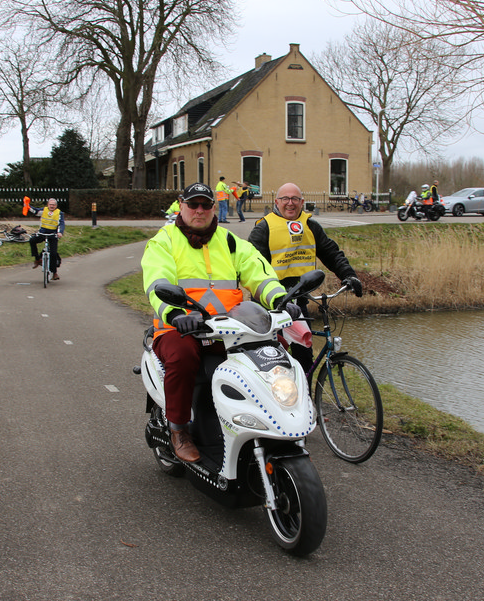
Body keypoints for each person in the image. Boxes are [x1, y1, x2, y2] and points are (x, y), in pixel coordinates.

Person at [142, 182, 296, 463]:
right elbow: (157, 279)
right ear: (182, 205)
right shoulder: (164, 241)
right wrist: (175, 314)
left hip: (228, 330)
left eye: (206, 205)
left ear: (214, 208)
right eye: (193, 204)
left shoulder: (230, 241)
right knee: (182, 356)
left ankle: (270, 418)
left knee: (271, 353)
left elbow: (258, 272)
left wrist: (279, 299)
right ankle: (179, 429)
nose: (199, 210)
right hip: (180, 328)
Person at [248, 182, 364, 374]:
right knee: (271, 362)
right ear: (277, 202)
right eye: (285, 199)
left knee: (304, 358)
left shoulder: (310, 226)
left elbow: (331, 253)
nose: (290, 203)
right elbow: (253, 267)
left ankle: (306, 392)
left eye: (295, 199)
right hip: (269, 305)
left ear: (302, 202)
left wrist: (349, 276)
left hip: (299, 301)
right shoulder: (264, 228)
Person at [30, 198, 64, 279]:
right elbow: (35, 211)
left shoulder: (59, 213)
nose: (52, 206)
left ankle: (54, 273)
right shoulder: (43, 210)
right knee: (32, 240)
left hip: (53, 235)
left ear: (56, 206)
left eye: (53, 205)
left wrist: (60, 232)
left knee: (53, 254)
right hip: (42, 233)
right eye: (50, 204)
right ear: (48, 205)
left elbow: (61, 223)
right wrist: (27, 206)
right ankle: (38, 259)